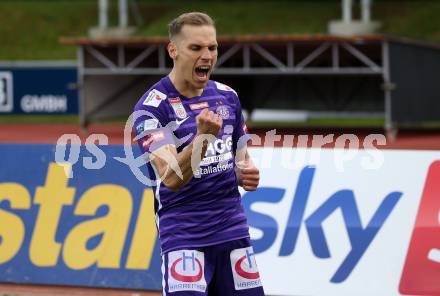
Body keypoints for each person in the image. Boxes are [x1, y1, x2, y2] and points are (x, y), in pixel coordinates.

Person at [133, 12, 265, 296]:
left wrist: (246, 173)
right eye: (196, 48)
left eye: (212, 48)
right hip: (184, 234)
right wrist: (203, 138)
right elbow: (170, 178)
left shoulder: (228, 97)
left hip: (232, 230)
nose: (207, 56)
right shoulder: (153, 108)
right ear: (174, 50)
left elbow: (240, 158)